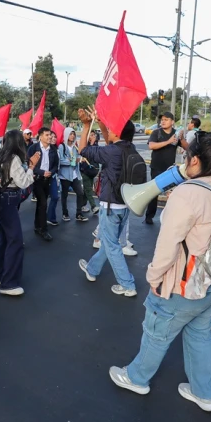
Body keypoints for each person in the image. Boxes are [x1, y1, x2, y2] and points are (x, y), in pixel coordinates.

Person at [108, 134, 211, 411]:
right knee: (200, 334)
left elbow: (168, 243)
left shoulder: (189, 192)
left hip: (186, 283)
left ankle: (136, 378)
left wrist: (154, 277)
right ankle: (204, 394)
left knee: (157, 332)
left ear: (193, 160)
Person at [77, 108, 138, 297]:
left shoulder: (111, 152)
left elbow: (83, 150)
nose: (109, 130)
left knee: (112, 246)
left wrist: (87, 125)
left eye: (112, 128)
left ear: (118, 133)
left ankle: (127, 284)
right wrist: (102, 121)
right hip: (125, 204)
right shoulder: (130, 149)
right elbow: (110, 139)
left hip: (110, 206)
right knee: (108, 242)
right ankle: (92, 269)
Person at [0, 130, 39, 296]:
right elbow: (23, 182)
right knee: (15, 240)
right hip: (9, 199)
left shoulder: (2, 155)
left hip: (2, 198)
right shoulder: (14, 158)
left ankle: (2, 275)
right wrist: (32, 167)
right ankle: (9, 283)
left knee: (5, 240)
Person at [145, 112, 183, 225]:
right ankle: (149, 216)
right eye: (162, 119)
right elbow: (151, 145)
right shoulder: (157, 132)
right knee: (153, 193)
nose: (163, 121)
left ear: (172, 122)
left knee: (171, 194)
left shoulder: (176, 134)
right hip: (156, 168)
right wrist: (168, 141)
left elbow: (187, 147)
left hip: (170, 169)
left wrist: (182, 138)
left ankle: (170, 216)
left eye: (166, 119)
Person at [28, 128, 59, 241]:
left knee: (41, 204)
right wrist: (41, 172)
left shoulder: (53, 149)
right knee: (43, 203)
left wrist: (51, 172)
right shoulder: (33, 148)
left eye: (50, 135)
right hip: (37, 179)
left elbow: (56, 164)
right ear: (40, 136)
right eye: (47, 135)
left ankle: (37, 226)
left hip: (48, 180)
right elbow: (29, 163)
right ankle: (44, 229)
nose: (50, 137)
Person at [58, 128, 88, 222]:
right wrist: (72, 161)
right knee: (65, 195)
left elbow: (77, 157)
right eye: (70, 134)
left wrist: (80, 159)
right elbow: (60, 160)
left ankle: (79, 214)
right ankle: (65, 213)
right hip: (65, 175)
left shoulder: (75, 147)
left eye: (74, 134)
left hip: (75, 175)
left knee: (80, 193)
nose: (73, 136)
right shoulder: (62, 146)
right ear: (66, 135)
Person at [79, 131, 100, 214]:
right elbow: (87, 154)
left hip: (92, 171)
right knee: (88, 189)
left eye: (94, 135)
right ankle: (93, 206)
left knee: (87, 190)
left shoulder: (96, 145)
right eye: (91, 135)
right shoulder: (85, 146)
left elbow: (97, 155)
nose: (93, 136)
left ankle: (81, 205)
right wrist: (91, 143)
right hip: (85, 170)